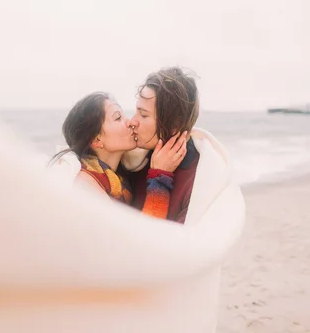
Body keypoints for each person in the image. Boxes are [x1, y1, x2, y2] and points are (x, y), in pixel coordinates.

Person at [50, 91, 186, 219]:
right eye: (118, 118)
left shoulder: (118, 179)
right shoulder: (86, 187)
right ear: (96, 140)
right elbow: (136, 242)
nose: (130, 122)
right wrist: (160, 178)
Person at [123, 66, 200, 224]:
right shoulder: (133, 161)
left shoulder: (199, 182)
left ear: (174, 125)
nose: (132, 121)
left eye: (143, 114)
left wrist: (159, 177)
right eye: (136, 111)